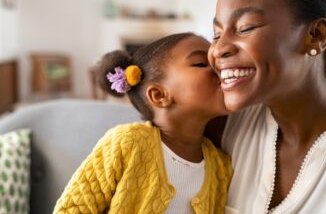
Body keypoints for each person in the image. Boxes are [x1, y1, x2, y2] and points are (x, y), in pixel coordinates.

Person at [53, 33, 232, 214]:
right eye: (201, 63)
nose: (221, 69)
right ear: (159, 95)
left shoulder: (221, 167)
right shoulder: (127, 142)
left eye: (216, 62)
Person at [206, 0, 326, 213]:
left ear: (316, 35)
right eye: (216, 34)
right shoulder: (222, 126)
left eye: (245, 28)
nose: (218, 49)